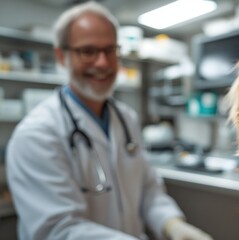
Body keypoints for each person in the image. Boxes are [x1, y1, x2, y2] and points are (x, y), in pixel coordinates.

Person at [6, 2, 213, 240]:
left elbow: (147, 189)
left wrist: (172, 224)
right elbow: (58, 229)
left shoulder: (126, 119)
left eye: (109, 50)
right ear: (61, 56)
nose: (103, 63)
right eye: (88, 51)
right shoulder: (37, 134)